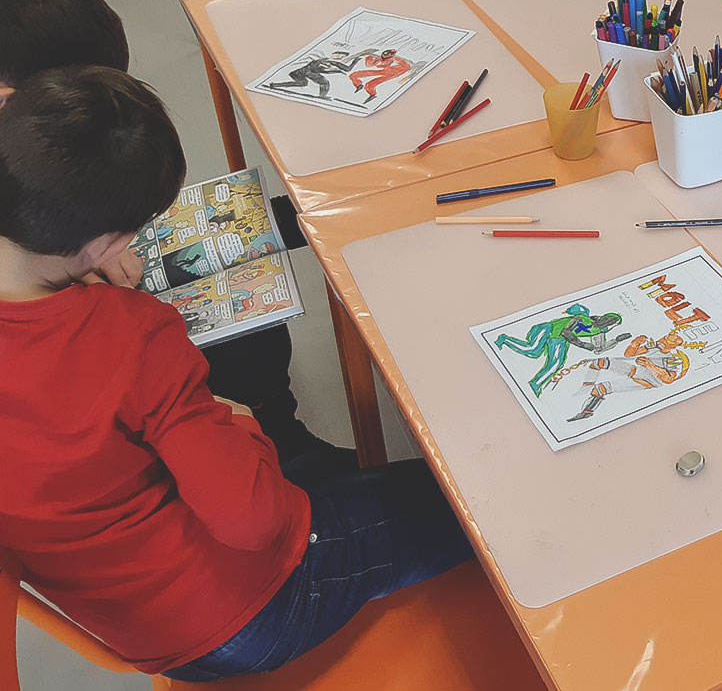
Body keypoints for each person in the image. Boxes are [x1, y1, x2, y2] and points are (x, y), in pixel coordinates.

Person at [0, 66, 473, 680]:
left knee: (323, 471)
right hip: (244, 611)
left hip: (132, 622)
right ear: (107, 243)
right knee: (465, 500)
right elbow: (254, 522)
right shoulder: (132, 336)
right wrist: (241, 424)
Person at [0, 0, 334, 459]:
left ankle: (277, 420)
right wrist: (67, 264)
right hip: (53, 347)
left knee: (247, 271)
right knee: (215, 346)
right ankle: (278, 441)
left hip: (67, 258)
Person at [266, 47, 373, 99]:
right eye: (338, 55)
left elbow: (348, 69)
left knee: (303, 83)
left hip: (306, 73)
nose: (339, 57)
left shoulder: (334, 63)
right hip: (303, 72)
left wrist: (355, 61)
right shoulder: (323, 60)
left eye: (341, 56)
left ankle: (274, 85)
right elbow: (314, 68)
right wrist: (332, 68)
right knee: (324, 82)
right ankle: (322, 97)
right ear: (333, 54)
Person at [348, 47, 413, 101]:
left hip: (392, 73)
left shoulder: (397, 60)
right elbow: (370, 65)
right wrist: (369, 57)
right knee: (354, 75)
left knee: (370, 84)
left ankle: (372, 95)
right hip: (382, 71)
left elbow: (407, 67)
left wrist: (392, 68)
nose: (384, 57)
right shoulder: (381, 58)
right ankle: (358, 85)